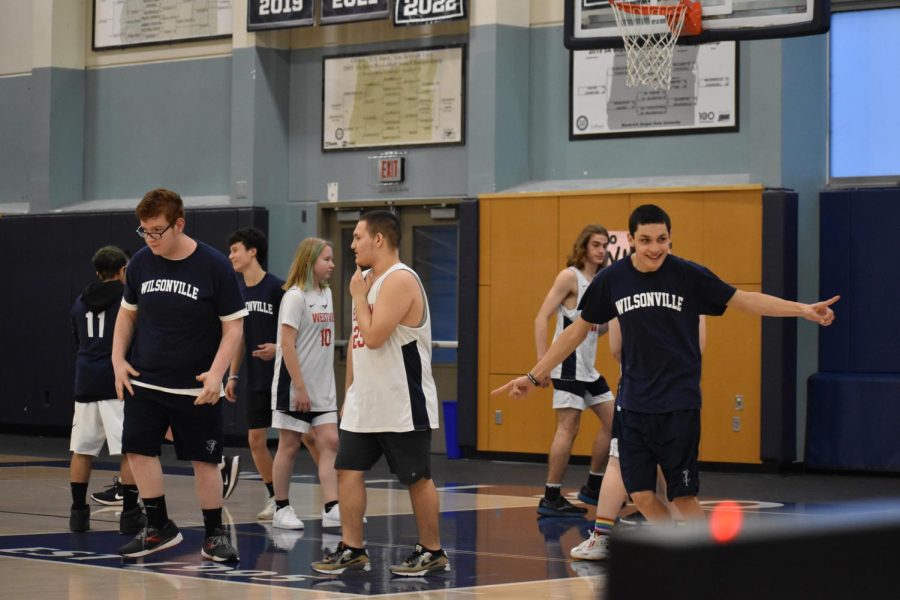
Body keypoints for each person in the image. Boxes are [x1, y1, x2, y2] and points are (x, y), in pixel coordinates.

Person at [499, 204, 838, 547]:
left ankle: (703, 560)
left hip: (678, 405)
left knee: (682, 497)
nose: (654, 247)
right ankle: (679, 551)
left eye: (662, 239)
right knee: (642, 495)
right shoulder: (612, 280)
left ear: (670, 238)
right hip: (633, 406)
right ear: (630, 239)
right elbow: (575, 332)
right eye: (645, 240)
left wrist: (803, 310)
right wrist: (533, 375)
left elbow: (745, 300)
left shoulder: (688, 275)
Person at [311, 210, 450, 577]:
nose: (352, 244)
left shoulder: (400, 280)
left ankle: (432, 550)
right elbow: (358, 346)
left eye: (357, 237)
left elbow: (374, 337)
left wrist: (357, 297)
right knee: (347, 471)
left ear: (378, 239)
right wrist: (349, 395)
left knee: (416, 477)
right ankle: (353, 548)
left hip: (402, 400)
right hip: (366, 401)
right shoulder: (368, 281)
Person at [112, 188, 248, 562]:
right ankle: (158, 527)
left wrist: (217, 374)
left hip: (196, 385)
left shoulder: (215, 265)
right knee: (138, 451)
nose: (151, 238)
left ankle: (214, 535)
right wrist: (117, 359)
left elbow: (233, 328)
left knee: (205, 461)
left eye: (157, 230)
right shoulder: (140, 262)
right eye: (144, 231)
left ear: (179, 224)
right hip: (146, 378)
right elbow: (127, 313)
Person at [570, 315, 703, 560]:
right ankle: (686, 540)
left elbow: (616, 349)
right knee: (667, 486)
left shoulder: (624, 283)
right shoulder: (690, 282)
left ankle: (603, 535)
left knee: (619, 461)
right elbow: (699, 345)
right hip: (678, 397)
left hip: (640, 394)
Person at [533, 225, 614, 516]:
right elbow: (541, 317)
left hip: (588, 368)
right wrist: (542, 365)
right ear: (584, 246)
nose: (601, 250)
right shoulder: (570, 277)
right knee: (568, 428)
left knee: (616, 422)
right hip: (566, 365)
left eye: (605, 245)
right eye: (596, 245)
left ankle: (593, 486)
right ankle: (551, 496)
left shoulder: (600, 282)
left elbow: (593, 330)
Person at [69, 245, 145, 535]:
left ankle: (78, 514)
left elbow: (76, 339)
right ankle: (129, 514)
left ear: (98, 272)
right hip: (118, 381)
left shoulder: (79, 302)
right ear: (123, 270)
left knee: (82, 449)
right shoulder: (128, 301)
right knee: (129, 451)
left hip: (85, 380)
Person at [269, 237, 341, 531]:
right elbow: (287, 344)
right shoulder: (295, 297)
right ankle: (281, 508)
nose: (332, 264)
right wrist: (299, 387)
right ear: (310, 262)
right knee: (289, 445)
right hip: (295, 385)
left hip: (322, 386)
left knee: (331, 442)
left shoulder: (327, 293)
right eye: (327, 259)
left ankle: (333, 506)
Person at [224, 227, 285, 520]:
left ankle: (335, 498)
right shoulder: (237, 292)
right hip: (255, 377)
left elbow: (297, 331)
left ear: (253, 252)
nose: (231, 255)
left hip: (283, 374)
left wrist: (279, 347)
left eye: (236, 249)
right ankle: (276, 498)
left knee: (306, 438)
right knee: (256, 440)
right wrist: (233, 375)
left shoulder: (277, 288)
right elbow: (238, 337)